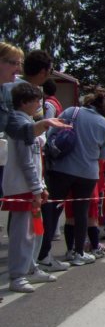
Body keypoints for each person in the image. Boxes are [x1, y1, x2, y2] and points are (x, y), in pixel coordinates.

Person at [40, 92, 105, 267]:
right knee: (82, 213)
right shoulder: (103, 123)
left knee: (53, 211)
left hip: (61, 169)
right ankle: (78, 252)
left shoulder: (71, 112)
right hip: (87, 173)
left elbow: (51, 135)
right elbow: (104, 154)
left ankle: (43, 254)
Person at [2, 83, 57, 292]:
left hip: (32, 186)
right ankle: (17, 275)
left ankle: (31, 267)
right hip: (22, 187)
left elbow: (35, 160)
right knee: (22, 234)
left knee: (36, 230)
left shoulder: (29, 123)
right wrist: (36, 188)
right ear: (24, 102)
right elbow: (25, 161)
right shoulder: (19, 123)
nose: (39, 105)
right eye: (36, 101)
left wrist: (41, 186)